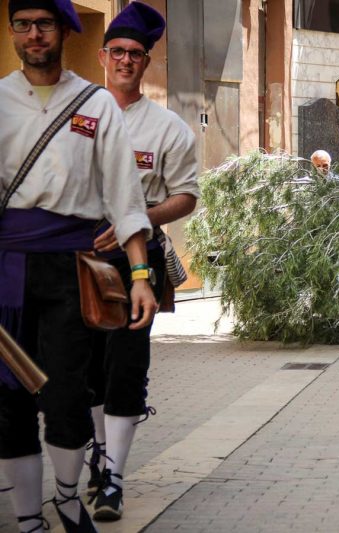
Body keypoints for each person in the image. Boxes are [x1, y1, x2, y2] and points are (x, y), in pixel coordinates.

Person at [0, 1, 157, 532]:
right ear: (13, 32)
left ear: (65, 30)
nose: (34, 34)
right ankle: (28, 522)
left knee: (67, 395)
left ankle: (67, 500)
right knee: (7, 400)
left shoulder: (95, 102)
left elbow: (124, 195)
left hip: (72, 269)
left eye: (44, 23)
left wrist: (140, 277)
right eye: (22, 24)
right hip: (7, 269)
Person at [84, 2, 199, 522]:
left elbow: (186, 197)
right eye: (118, 52)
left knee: (126, 368)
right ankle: (95, 456)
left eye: (136, 53)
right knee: (82, 368)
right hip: (74, 255)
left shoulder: (168, 127)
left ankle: (113, 479)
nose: (126, 60)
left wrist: (139, 218)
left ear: (146, 63)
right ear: (103, 56)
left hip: (137, 263)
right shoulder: (75, 113)